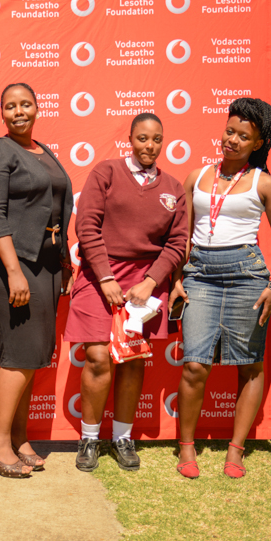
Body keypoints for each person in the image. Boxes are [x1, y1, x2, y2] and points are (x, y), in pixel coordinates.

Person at [173, 97, 271, 479]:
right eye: (229, 131)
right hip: (200, 275)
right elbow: (181, 237)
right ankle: (186, 447)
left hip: (247, 277)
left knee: (250, 367)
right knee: (195, 365)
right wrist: (176, 279)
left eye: (243, 136)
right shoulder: (196, 177)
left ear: (258, 143)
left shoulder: (265, 184)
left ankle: (236, 450)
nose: (233, 140)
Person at [64, 113, 188, 472]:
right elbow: (86, 225)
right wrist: (105, 277)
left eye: (156, 139)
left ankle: (122, 437)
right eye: (142, 138)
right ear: (130, 139)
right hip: (99, 274)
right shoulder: (106, 172)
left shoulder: (173, 188)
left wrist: (151, 282)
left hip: (146, 281)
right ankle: (89, 438)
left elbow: (178, 241)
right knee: (98, 356)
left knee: (133, 359)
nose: (149, 146)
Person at [0, 82, 73, 478]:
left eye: (25, 104)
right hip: (9, 262)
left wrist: (64, 259)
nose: (18, 112)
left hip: (45, 263)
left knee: (34, 353)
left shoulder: (42, 151)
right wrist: (14, 271)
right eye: (10, 106)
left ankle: (18, 436)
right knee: (20, 351)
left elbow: (56, 209)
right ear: (1, 113)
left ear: (37, 108)